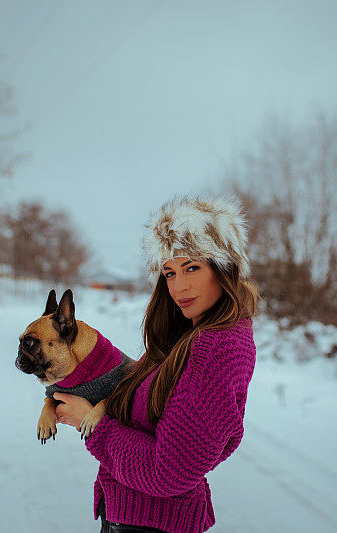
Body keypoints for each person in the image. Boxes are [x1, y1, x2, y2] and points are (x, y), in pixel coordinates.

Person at [53, 194, 260, 533]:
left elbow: (170, 471)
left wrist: (90, 424)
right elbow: (194, 426)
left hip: (151, 526)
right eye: (169, 272)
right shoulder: (184, 338)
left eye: (192, 267)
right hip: (137, 518)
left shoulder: (215, 346)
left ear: (224, 268)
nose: (180, 286)